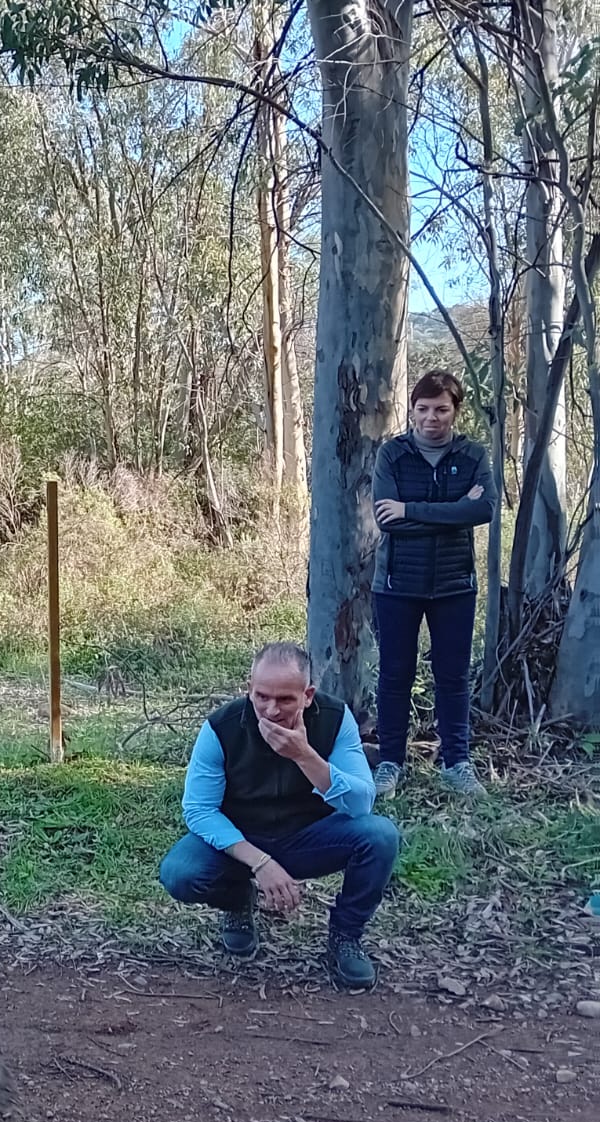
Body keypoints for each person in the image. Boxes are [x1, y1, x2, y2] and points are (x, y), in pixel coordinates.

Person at [157, 643, 396, 989]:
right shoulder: (221, 727)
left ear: (308, 695)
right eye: (262, 696)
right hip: (240, 841)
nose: (271, 710)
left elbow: (361, 804)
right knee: (180, 873)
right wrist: (260, 863)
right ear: (249, 690)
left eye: (285, 699)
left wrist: (305, 756)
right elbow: (199, 811)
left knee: (380, 836)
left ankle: (346, 935)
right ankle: (238, 900)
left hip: (309, 838)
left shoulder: (334, 718)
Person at [372, 368, 496, 799]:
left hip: (455, 585)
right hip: (395, 584)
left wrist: (409, 510)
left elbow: (483, 513)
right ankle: (390, 763)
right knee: (395, 674)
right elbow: (386, 523)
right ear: (411, 411)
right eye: (423, 409)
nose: (432, 418)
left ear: (455, 411)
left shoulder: (474, 455)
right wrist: (452, 511)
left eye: (442, 409)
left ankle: (457, 763)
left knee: (453, 676)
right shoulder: (392, 455)